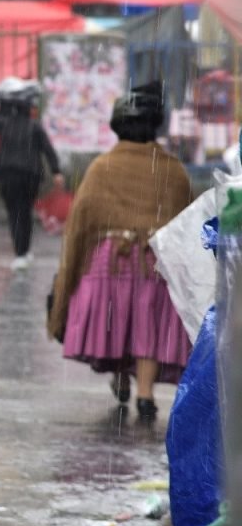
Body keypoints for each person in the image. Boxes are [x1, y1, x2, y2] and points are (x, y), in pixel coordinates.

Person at [46, 82, 193, 422]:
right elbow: (185, 221)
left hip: (109, 261)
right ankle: (145, 394)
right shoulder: (172, 170)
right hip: (155, 263)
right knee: (148, 325)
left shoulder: (102, 167)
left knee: (117, 322)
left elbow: (81, 221)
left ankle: (122, 379)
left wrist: (71, 271)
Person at [0, 83, 64, 270]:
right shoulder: (35, 126)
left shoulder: (4, 123)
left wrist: (2, 106)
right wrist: (56, 171)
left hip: (7, 173)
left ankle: (20, 252)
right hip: (30, 175)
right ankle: (24, 251)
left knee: (14, 213)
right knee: (25, 212)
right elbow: (48, 149)